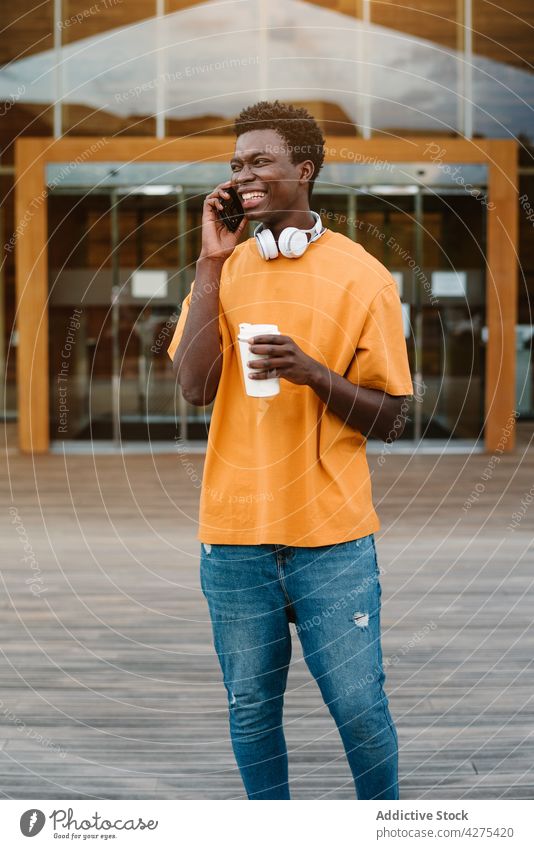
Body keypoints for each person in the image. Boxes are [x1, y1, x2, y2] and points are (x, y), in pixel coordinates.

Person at [167, 100, 413, 800]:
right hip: (235, 537)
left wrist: (312, 372)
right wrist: (212, 262)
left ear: (304, 170)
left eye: (260, 161)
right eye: (236, 164)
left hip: (332, 539)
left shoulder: (363, 275)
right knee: (251, 713)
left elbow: (391, 418)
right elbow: (193, 386)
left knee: (362, 711)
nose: (244, 174)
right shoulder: (223, 270)